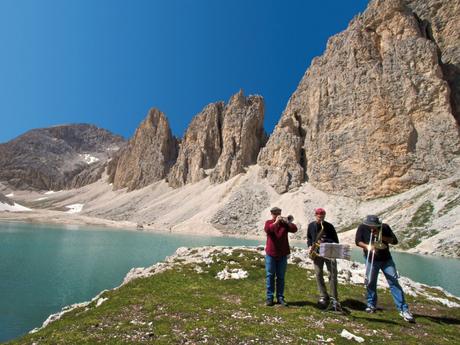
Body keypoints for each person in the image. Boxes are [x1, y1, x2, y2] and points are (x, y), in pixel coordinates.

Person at [355, 215, 415, 322]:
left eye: (374, 226)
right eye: (370, 226)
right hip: (371, 258)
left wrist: (381, 236)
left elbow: (394, 241)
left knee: (393, 282)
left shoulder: (385, 227)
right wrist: (368, 247)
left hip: (386, 259)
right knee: (370, 282)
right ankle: (371, 304)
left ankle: (403, 309)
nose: (372, 228)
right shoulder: (362, 227)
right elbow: (358, 241)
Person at [307, 208, 341, 310]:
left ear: (324, 216)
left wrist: (325, 241)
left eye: (322, 216)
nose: (320, 218)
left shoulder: (329, 226)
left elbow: (336, 240)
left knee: (333, 274)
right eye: (318, 216)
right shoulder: (311, 225)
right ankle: (323, 296)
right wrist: (309, 246)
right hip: (316, 253)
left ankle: (334, 297)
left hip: (329, 252)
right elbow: (309, 237)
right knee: (318, 274)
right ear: (315, 215)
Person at [264, 206, 298, 307]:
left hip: (282, 254)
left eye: (278, 213)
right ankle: (270, 298)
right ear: (271, 214)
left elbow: (294, 229)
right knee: (270, 275)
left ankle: (280, 297)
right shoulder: (269, 223)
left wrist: (287, 222)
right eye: (275, 213)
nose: (277, 215)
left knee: (281, 277)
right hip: (271, 253)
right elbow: (268, 230)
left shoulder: (284, 224)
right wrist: (276, 222)